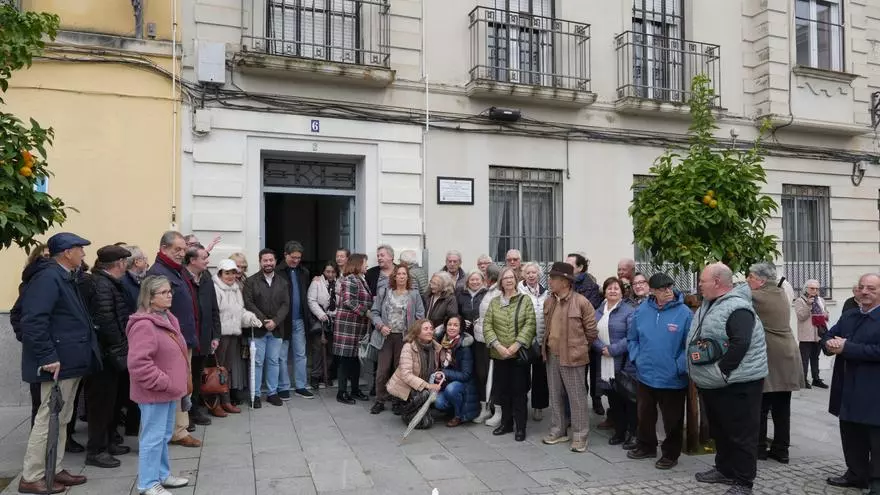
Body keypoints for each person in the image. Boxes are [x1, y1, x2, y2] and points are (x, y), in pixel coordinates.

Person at [17, 233, 99, 495]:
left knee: (61, 418)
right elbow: (33, 321)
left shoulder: (63, 276)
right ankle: (32, 475)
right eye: (80, 250)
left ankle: (54, 467)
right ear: (66, 252)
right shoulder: (49, 277)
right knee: (47, 418)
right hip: (57, 361)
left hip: (69, 359)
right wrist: (47, 356)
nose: (84, 254)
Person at [690, 263, 769, 495]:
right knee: (722, 430)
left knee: (742, 434)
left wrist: (722, 371)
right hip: (716, 383)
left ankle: (744, 482)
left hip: (738, 383)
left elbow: (741, 343)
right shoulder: (709, 304)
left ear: (717, 282)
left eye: (702, 280)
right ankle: (724, 470)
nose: (699, 285)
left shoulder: (738, 307)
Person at [126, 276, 191, 495]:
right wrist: (164, 382)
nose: (169, 295)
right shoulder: (144, 325)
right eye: (163, 292)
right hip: (155, 392)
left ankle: (162, 475)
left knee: (163, 436)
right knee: (152, 438)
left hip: (169, 391)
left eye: (169, 291)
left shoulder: (168, 318)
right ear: (150, 298)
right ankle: (147, 483)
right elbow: (138, 364)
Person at [626, 273, 692, 469]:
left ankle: (671, 454)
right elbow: (633, 338)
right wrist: (637, 357)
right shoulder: (641, 310)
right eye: (663, 289)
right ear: (652, 291)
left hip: (672, 377)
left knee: (673, 419)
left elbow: (690, 345)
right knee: (644, 415)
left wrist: (678, 366)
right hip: (645, 374)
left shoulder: (685, 313)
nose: (668, 291)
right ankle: (646, 446)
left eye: (670, 287)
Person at [822, 273, 880, 493]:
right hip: (847, 385)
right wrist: (829, 344)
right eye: (862, 287)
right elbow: (829, 335)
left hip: (874, 388)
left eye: (872, 288)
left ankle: (877, 481)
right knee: (850, 431)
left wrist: (847, 348)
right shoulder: (850, 315)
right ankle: (856, 474)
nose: (865, 292)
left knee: (876, 438)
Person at [146, 231, 202, 447]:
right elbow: (153, 309)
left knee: (182, 385)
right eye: (176, 249)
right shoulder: (158, 273)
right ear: (163, 249)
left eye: (183, 249)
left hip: (181, 337)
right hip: (170, 339)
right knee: (176, 385)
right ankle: (175, 431)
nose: (181, 253)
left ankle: (179, 429)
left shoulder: (175, 271)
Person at [83, 245, 134, 469]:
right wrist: (120, 346)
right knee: (101, 404)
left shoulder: (109, 283)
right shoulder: (102, 284)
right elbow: (107, 321)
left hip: (113, 353)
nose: (126, 265)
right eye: (125, 261)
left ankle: (110, 440)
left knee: (113, 401)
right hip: (104, 356)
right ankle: (96, 450)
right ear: (119, 263)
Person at [746, 262, 803, 465]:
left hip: (772, 355)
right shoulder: (779, 291)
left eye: (750, 277)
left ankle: (759, 448)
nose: (747, 280)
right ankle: (781, 450)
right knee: (782, 407)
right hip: (787, 354)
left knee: (761, 405)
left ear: (761, 280)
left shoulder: (758, 296)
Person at [541, 262, 598, 453]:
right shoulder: (549, 301)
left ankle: (580, 435)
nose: (550, 281)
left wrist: (578, 348)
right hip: (552, 355)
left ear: (565, 282)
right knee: (555, 395)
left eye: (553, 278)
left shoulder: (581, 302)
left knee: (577, 397)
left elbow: (591, 332)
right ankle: (558, 430)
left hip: (573, 357)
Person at [483, 266, 536, 442]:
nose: (508, 280)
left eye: (511, 277)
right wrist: (498, 346)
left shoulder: (525, 300)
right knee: (503, 391)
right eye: (504, 278)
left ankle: (520, 427)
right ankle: (506, 423)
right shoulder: (494, 302)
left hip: (518, 355)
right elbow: (487, 325)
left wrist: (515, 346)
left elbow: (530, 324)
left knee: (519, 392)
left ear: (516, 279)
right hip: (499, 356)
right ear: (500, 282)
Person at [370, 264, 425, 414]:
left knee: (399, 370)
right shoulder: (385, 292)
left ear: (408, 277)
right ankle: (380, 400)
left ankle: (397, 401)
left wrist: (413, 334)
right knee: (382, 370)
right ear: (394, 276)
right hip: (386, 337)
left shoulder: (413, 294)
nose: (401, 276)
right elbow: (374, 312)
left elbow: (420, 315)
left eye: (404, 274)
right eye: (398, 274)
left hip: (404, 338)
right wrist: (381, 326)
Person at [592, 277, 637, 448]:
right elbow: (591, 333)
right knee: (613, 399)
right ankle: (619, 431)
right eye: (609, 288)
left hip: (622, 362)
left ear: (622, 292)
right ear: (604, 291)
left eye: (616, 288)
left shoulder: (629, 311)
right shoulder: (598, 310)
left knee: (627, 399)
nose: (612, 291)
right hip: (603, 360)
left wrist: (613, 350)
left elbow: (632, 336)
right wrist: (601, 348)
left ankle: (632, 433)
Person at [242, 248, 290, 408]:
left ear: (275, 261)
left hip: (276, 329)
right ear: (260, 261)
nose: (268, 263)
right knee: (256, 363)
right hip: (258, 330)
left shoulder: (283, 282)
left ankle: (272, 393)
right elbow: (248, 303)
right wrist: (264, 321)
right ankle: (255, 395)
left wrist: (275, 321)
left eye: (271, 260)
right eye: (265, 260)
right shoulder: (251, 281)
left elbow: (285, 304)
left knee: (274, 362)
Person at [213, 259, 262, 409]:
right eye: (227, 273)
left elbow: (240, 312)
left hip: (233, 334)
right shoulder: (216, 288)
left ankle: (225, 401)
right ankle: (216, 403)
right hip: (220, 335)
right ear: (220, 273)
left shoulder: (235, 289)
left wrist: (251, 318)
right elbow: (213, 314)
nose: (230, 276)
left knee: (227, 368)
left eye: (233, 273)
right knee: (218, 369)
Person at [182, 245, 222, 417]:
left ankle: (195, 410)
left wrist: (216, 335)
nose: (208, 261)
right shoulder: (181, 278)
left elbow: (214, 308)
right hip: (188, 337)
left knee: (198, 375)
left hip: (204, 336)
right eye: (204, 258)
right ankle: (185, 415)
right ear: (192, 260)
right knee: (186, 377)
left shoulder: (206, 278)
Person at [386, 319, 442, 430]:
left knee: (427, 423)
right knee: (425, 395)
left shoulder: (435, 347)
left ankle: (416, 410)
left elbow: (435, 368)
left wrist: (437, 374)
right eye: (425, 329)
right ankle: (405, 410)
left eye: (431, 328)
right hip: (407, 387)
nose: (430, 331)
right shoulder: (409, 347)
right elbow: (406, 375)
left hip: (422, 386)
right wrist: (428, 385)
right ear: (417, 332)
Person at [275, 241, 314, 400]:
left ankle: (301, 386)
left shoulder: (304, 272)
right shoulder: (277, 272)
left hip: (299, 320)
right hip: (283, 321)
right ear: (285, 255)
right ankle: (283, 387)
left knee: (300, 355)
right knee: (282, 356)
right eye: (293, 257)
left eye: (299, 257)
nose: (296, 260)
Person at [333, 253, 373, 404]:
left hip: (358, 326)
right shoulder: (350, 279)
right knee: (345, 360)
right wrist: (366, 312)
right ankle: (341, 392)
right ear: (357, 264)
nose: (366, 265)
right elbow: (349, 301)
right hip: (347, 326)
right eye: (365, 263)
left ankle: (355, 390)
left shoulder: (360, 279)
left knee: (355, 359)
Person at [434, 315, 480, 426]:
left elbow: (466, 375)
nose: (452, 328)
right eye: (449, 324)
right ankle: (453, 408)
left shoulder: (465, 347)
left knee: (451, 389)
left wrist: (444, 373)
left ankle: (459, 415)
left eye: (456, 325)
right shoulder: (442, 342)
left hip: (464, 385)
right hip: (448, 381)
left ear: (461, 328)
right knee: (438, 402)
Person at [518, 262, 549, 422]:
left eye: (534, 273)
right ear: (523, 275)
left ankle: (539, 407)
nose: (531, 275)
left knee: (540, 375)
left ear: (538, 275)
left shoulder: (546, 293)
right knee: (522, 375)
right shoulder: (518, 291)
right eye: (528, 272)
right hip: (524, 340)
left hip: (542, 340)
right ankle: (522, 403)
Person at [474, 265, 501, 424]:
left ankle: (496, 410)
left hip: (492, 340)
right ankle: (485, 409)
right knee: (482, 375)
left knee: (493, 376)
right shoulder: (489, 291)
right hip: (482, 339)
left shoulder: (497, 292)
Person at [307, 260, 338, 390]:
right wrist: (321, 315)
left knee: (331, 350)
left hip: (334, 320)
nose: (330, 274)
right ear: (323, 271)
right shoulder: (316, 282)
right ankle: (315, 376)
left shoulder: (340, 283)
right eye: (327, 271)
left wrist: (334, 313)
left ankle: (327, 375)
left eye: (332, 271)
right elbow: (311, 300)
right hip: (320, 320)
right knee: (318, 350)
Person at [794, 279, 830, 389]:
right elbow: (801, 316)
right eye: (812, 288)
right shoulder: (800, 300)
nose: (815, 291)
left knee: (815, 357)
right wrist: (809, 306)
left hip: (819, 333)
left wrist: (825, 315)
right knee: (804, 359)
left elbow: (827, 314)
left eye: (817, 289)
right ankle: (803, 380)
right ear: (806, 289)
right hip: (806, 335)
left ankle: (816, 379)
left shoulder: (821, 300)